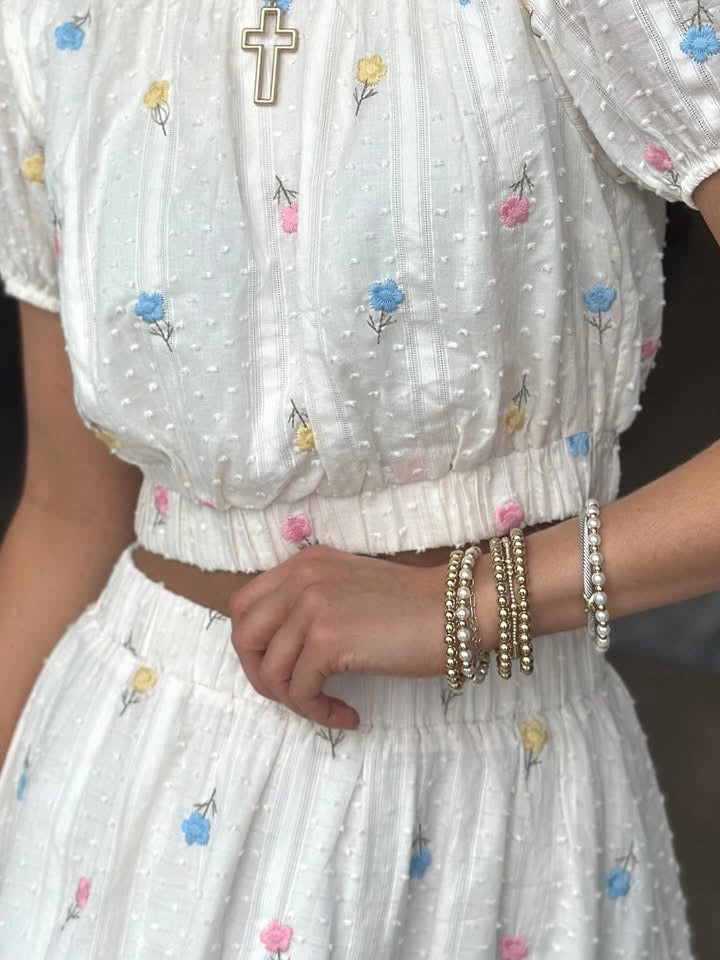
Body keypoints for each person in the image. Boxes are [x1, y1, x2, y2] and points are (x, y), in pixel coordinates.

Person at [1, 0, 719, 955]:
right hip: (119, 800)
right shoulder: (50, 20)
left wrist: (473, 601)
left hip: (490, 809)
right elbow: (66, 515)